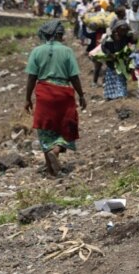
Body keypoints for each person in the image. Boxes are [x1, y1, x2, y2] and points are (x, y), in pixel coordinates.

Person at [24, 20, 87, 177]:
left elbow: (31, 77)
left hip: (44, 93)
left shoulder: (36, 51)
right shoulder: (67, 51)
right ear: (59, 35)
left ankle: (51, 168)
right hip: (63, 92)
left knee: (46, 129)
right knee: (66, 126)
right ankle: (56, 152)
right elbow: (74, 76)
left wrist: (27, 99)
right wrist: (82, 95)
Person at [100, 21, 134, 100]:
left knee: (121, 77)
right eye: (121, 30)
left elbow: (133, 42)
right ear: (116, 29)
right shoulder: (110, 37)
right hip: (112, 61)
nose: (123, 32)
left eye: (125, 30)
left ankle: (121, 94)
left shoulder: (126, 36)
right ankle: (111, 95)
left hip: (122, 60)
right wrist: (110, 54)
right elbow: (103, 47)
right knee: (112, 77)